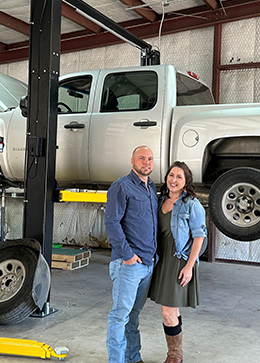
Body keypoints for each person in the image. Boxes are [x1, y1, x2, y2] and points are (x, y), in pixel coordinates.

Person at [149, 161, 207, 363]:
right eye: (171, 175)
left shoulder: (192, 204)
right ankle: (176, 353)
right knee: (171, 310)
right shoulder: (159, 200)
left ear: (186, 181)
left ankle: (175, 356)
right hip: (160, 258)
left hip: (178, 259)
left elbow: (199, 237)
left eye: (179, 177)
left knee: (167, 312)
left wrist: (190, 266)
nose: (173, 180)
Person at [105, 145, 158, 363]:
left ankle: (133, 358)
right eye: (142, 158)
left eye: (150, 159)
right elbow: (111, 222)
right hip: (129, 264)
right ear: (132, 161)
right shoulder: (122, 186)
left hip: (147, 264)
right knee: (120, 316)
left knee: (133, 316)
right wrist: (127, 256)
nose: (147, 162)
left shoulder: (151, 187)